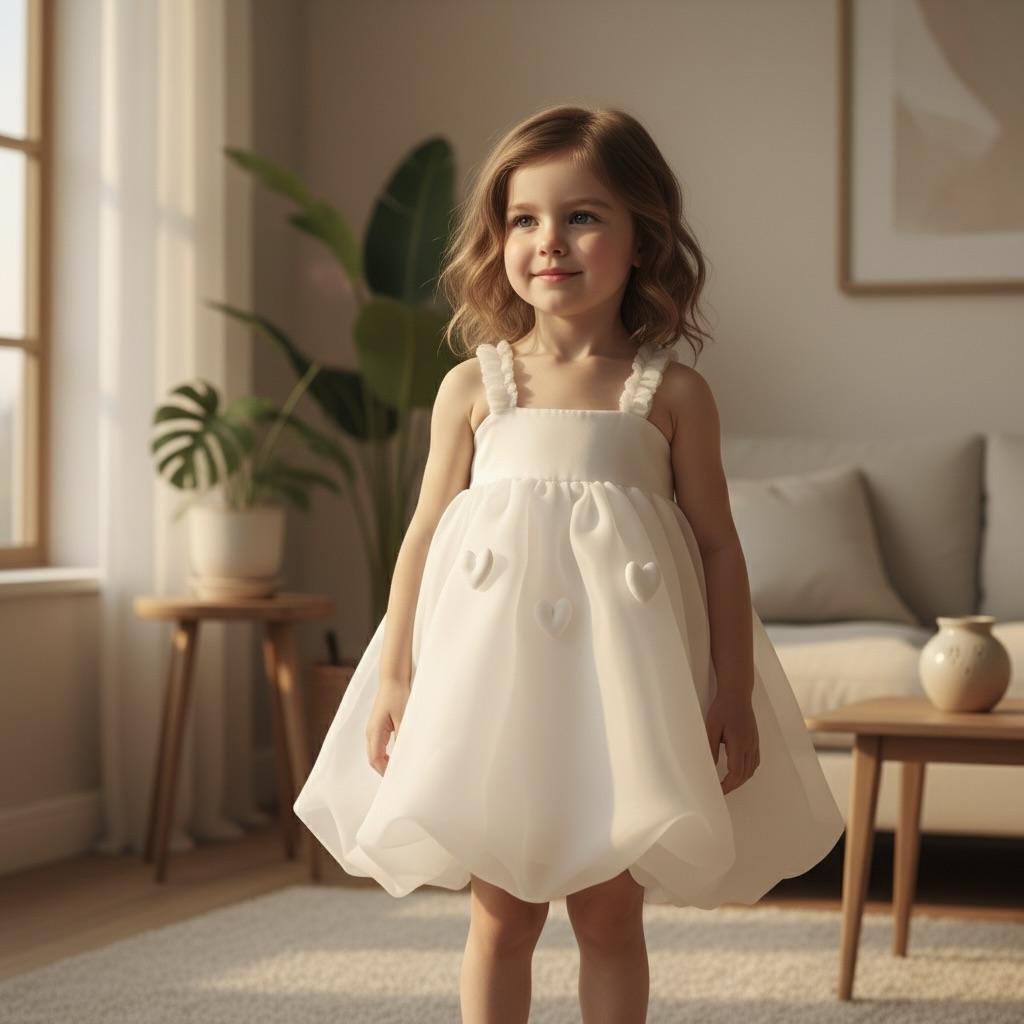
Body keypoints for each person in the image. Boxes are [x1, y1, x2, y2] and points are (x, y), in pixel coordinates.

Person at [294, 104, 845, 1024]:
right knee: (501, 915)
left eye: (583, 216)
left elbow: (716, 546)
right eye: (524, 220)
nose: (551, 241)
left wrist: (732, 691)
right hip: (494, 695)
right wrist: (395, 675)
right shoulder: (474, 386)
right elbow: (425, 534)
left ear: (643, 239)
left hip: (615, 701)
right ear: (499, 238)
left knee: (608, 914)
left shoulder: (670, 394)